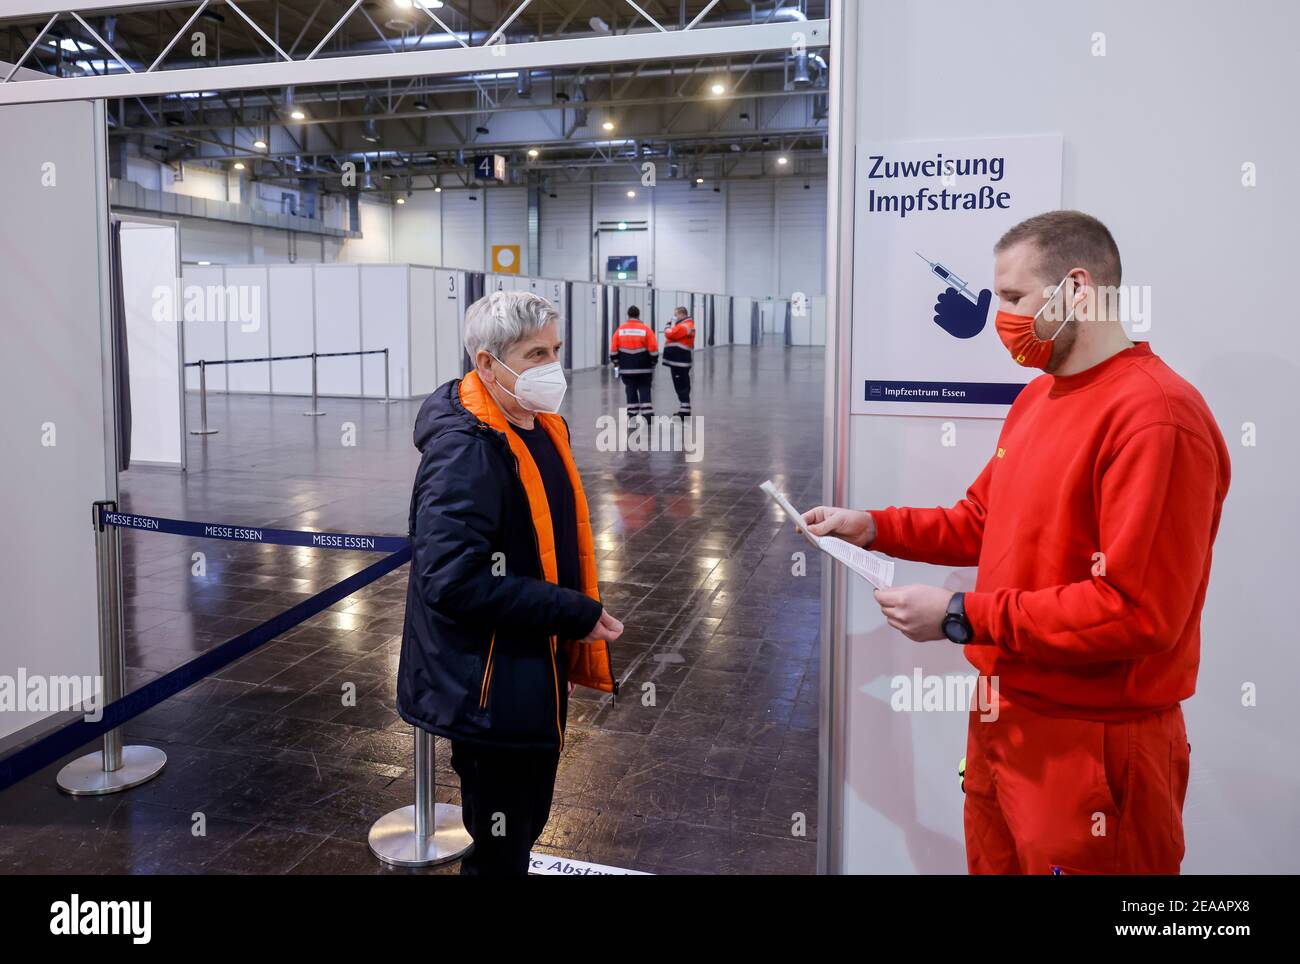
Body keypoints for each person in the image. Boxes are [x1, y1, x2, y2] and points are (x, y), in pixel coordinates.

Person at [804, 210, 1230, 875]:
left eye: (1011, 297)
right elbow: (981, 519)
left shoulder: (1156, 417)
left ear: (1077, 289)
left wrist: (960, 615)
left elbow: (1134, 611)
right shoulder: (1039, 399)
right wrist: (873, 524)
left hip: (1093, 747)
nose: (997, 316)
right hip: (1005, 723)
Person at [397, 290, 624, 876]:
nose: (552, 367)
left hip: (532, 665)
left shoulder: (543, 427)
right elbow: (451, 580)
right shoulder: (464, 453)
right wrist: (567, 611)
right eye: (534, 354)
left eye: (556, 350)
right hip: (487, 684)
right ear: (486, 365)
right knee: (501, 840)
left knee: (526, 821)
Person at [609, 304, 657, 422]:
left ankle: (632, 413)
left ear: (628, 315)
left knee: (630, 389)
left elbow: (614, 349)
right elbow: (653, 347)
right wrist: (653, 361)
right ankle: (647, 414)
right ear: (638, 314)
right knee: (644, 388)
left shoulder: (620, 330)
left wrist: (616, 362)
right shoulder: (646, 329)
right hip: (644, 368)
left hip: (626, 368)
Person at [662, 305, 696, 417]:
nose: (675, 317)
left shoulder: (685, 326)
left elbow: (670, 334)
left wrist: (667, 326)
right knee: (682, 384)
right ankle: (684, 408)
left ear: (682, 314)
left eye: (676, 315)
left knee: (681, 385)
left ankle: (685, 410)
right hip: (679, 361)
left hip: (679, 361)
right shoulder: (685, 325)